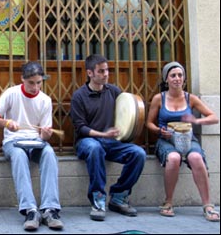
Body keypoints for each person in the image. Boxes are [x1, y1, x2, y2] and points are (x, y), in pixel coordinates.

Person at [0, 61, 64, 231]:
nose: (35, 87)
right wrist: (6, 123)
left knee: (49, 154)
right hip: (13, 142)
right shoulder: (11, 94)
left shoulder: (45, 100)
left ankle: (50, 209)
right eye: (31, 83)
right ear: (22, 79)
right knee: (19, 156)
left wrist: (46, 134)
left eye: (39, 82)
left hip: (36, 142)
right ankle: (30, 210)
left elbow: (43, 135)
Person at [70, 54, 146, 221]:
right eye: (101, 71)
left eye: (107, 70)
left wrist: (125, 129)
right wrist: (103, 134)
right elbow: (81, 128)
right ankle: (98, 199)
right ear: (90, 73)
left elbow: (126, 113)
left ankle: (119, 196)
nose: (106, 74)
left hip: (110, 142)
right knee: (95, 148)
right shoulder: (79, 96)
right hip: (87, 142)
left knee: (138, 153)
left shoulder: (114, 91)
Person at [146, 61, 219, 222]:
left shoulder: (190, 98)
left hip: (188, 139)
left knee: (196, 158)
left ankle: (207, 205)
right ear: (166, 79)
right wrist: (159, 130)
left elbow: (214, 117)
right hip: (166, 140)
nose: (177, 78)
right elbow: (149, 123)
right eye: (173, 75)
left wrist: (196, 121)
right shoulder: (159, 98)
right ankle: (168, 202)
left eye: (180, 75)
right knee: (174, 158)